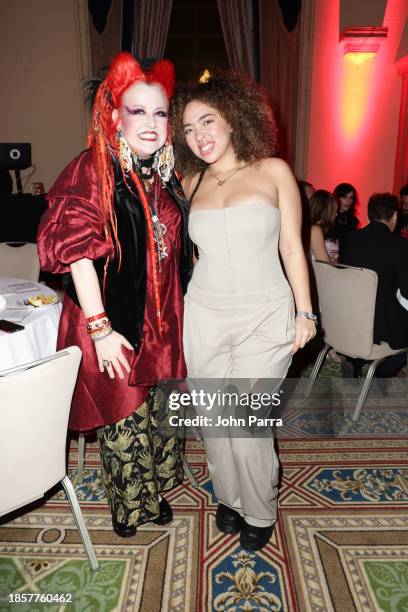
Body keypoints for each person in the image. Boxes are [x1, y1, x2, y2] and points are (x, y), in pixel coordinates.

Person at [37, 52, 193, 537]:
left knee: (163, 408)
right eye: (138, 110)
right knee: (126, 412)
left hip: (162, 315)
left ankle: (158, 489)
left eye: (160, 112)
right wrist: (101, 330)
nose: (150, 123)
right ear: (115, 116)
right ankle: (132, 507)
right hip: (109, 318)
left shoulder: (165, 174)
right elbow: (77, 252)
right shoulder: (93, 168)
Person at [171, 70, 316, 551]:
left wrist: (305, 313)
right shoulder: (190, 182)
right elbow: (192, 256)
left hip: (265, 314)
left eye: (207, 121)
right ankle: (229, 497)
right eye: (189, 130)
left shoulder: (273, 171)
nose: (199, 136)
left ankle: (259, 507)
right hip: (205, 315)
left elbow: (293, 249)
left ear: (234, 118)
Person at [339, 193, 408, 378]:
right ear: (394, 216)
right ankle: (380, 376)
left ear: (369, 216)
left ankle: (354, 361)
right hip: (381, 326)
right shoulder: (401, 246)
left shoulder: (348, 240)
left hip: (345, 320)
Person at [308, 189, 339, 262]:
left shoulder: (311, 228)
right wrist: (333, 261)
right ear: (326, 211)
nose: (336, 214)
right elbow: (324, 264)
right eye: (334, 211)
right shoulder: (315, 230)